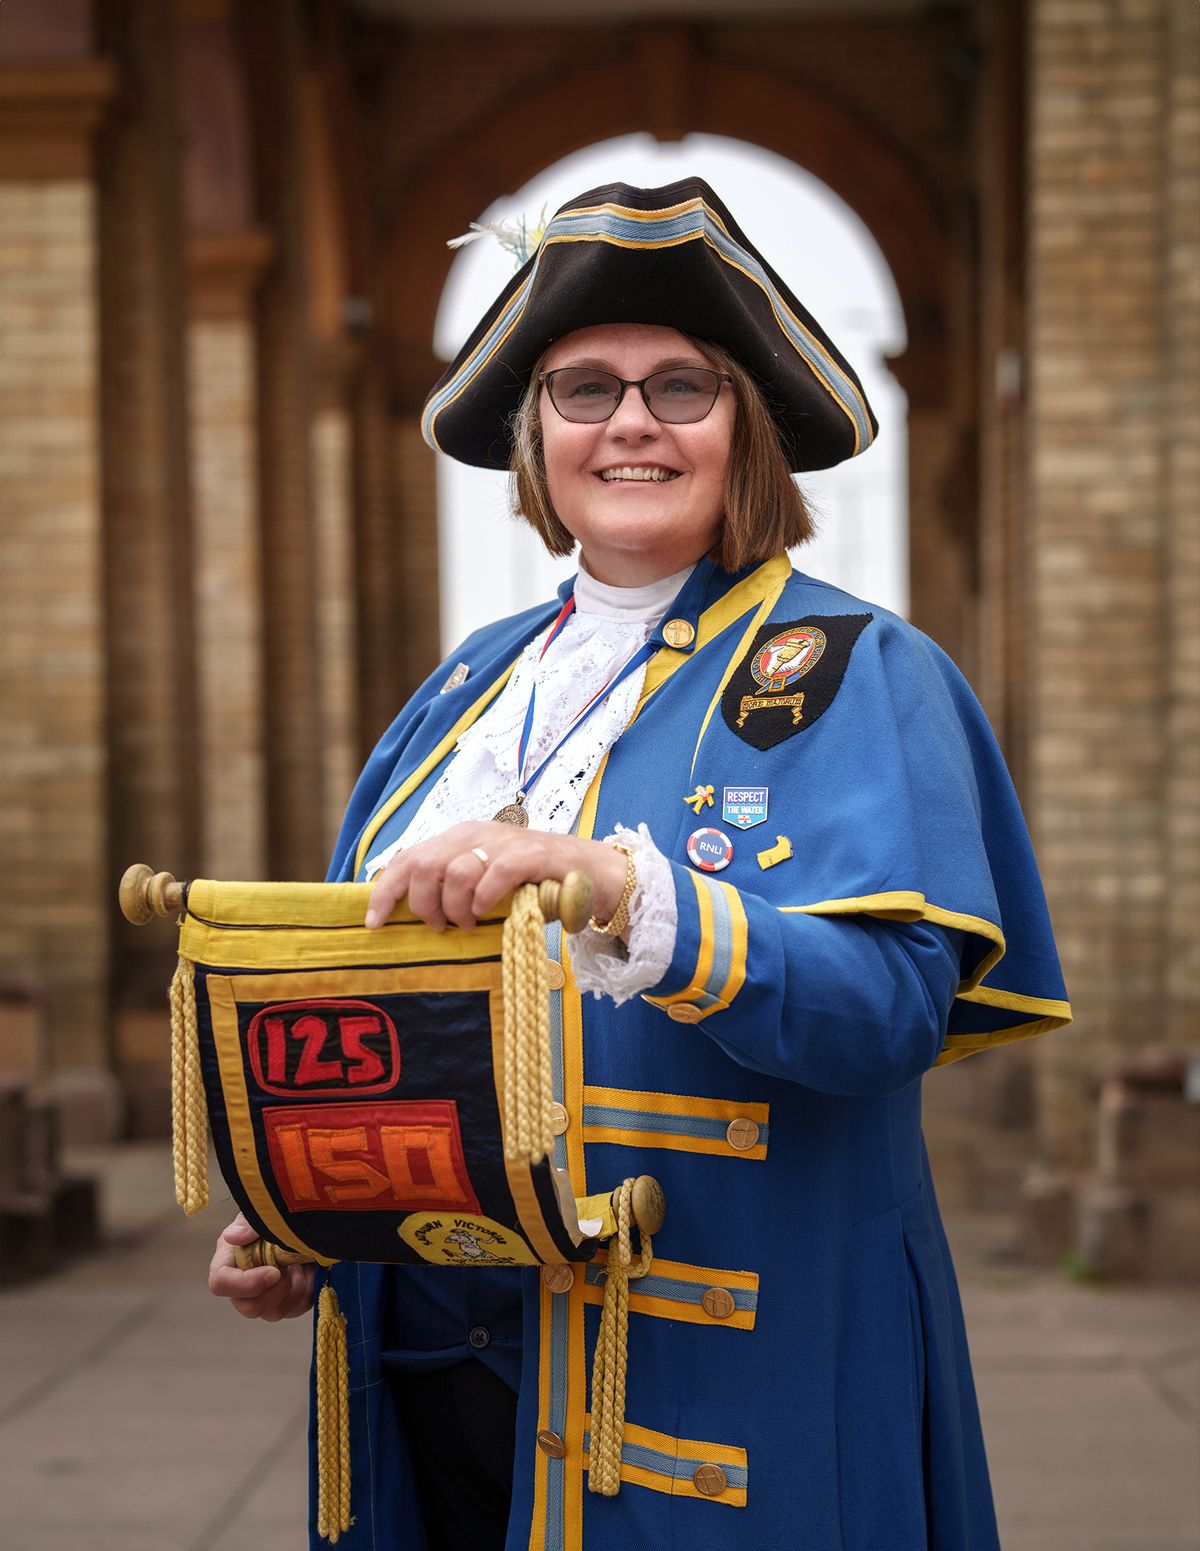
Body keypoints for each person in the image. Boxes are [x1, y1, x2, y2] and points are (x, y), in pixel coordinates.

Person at [209, 177, 1070, 1550]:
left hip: (720, 1352)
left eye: (681, 388)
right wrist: (302, 1210)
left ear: (748, 431)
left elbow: (898, 1008)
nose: (627, 423)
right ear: (535, 441)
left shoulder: (862, 671)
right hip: (429, 1353)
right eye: (582, 389)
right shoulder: (461, 692)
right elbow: (365, 999)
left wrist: (621, 889)